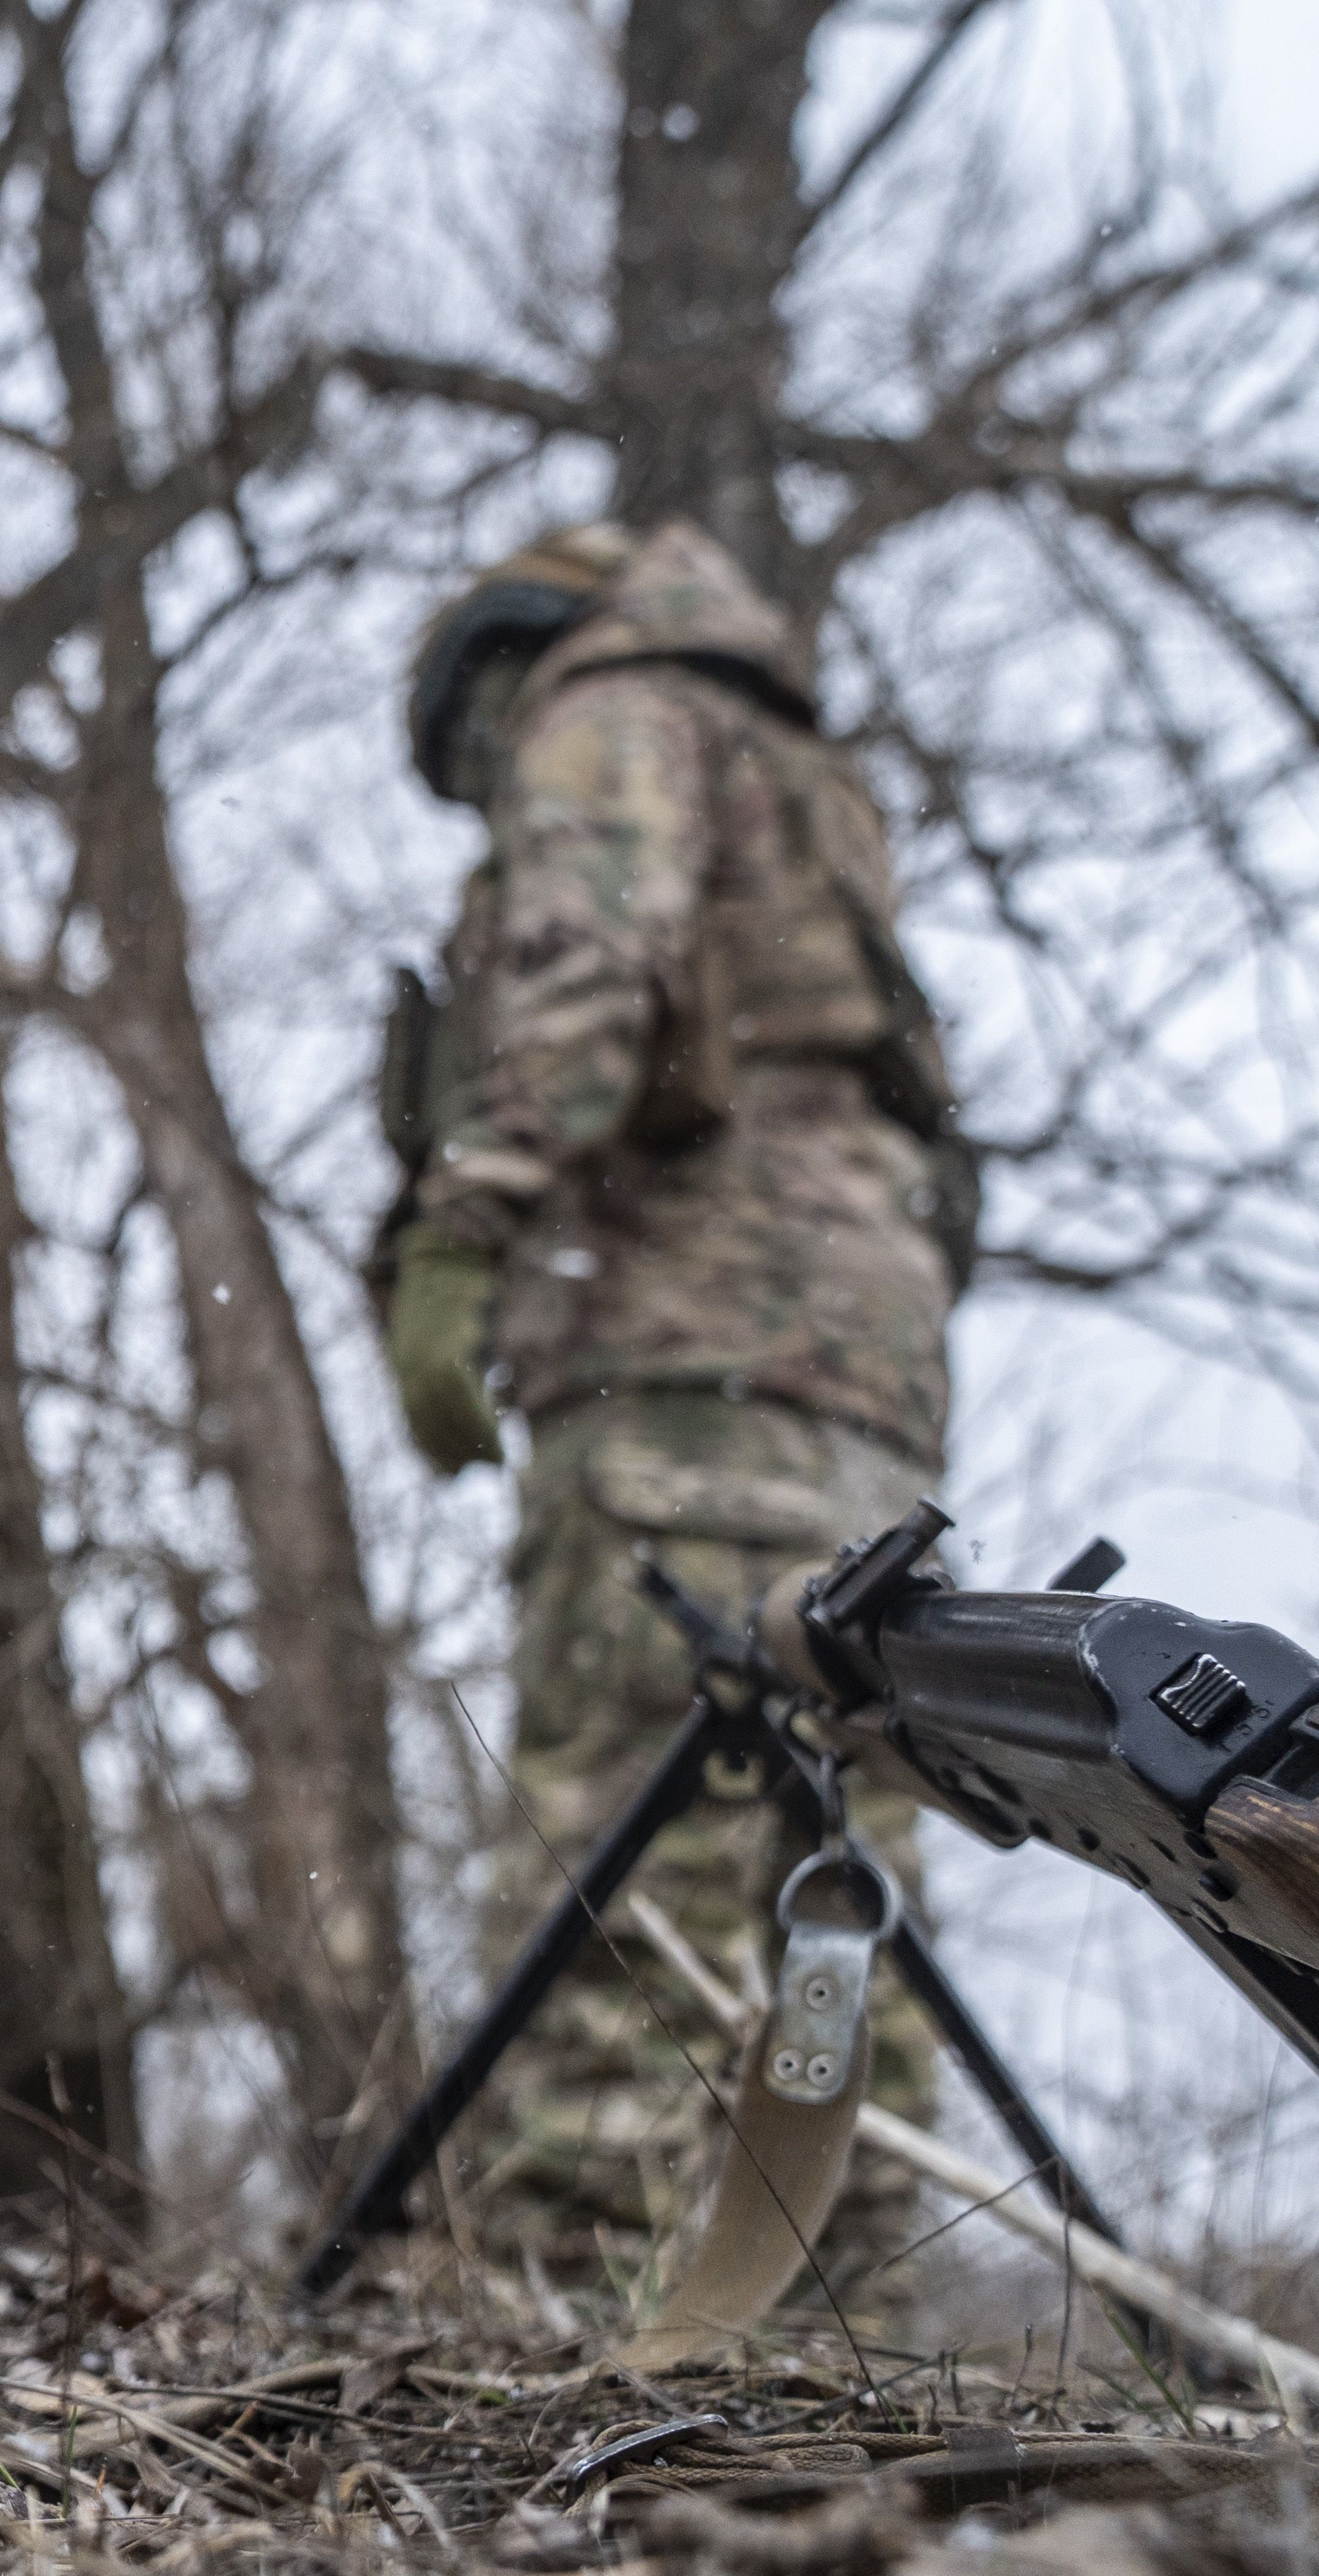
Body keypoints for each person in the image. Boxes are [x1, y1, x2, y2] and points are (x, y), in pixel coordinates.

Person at [368, 519, 978, 2284]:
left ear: (506, 672)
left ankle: (576, 2304)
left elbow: (590, 967)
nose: (496, 791)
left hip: (682, 1359)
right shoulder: (811, 787)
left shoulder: (610, 717)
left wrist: (460, 1228)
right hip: (863, 1382)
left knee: (623, 1828)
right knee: (839, 1843)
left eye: (476, 755)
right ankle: (852, 2307)